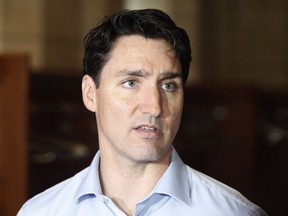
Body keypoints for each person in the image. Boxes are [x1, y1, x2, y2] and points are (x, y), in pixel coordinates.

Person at [17, 9, 268, 216]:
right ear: (90, 93)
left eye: (168, 85)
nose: (155, 106)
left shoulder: (232, 212)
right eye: (131, 83)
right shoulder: (41, 212)